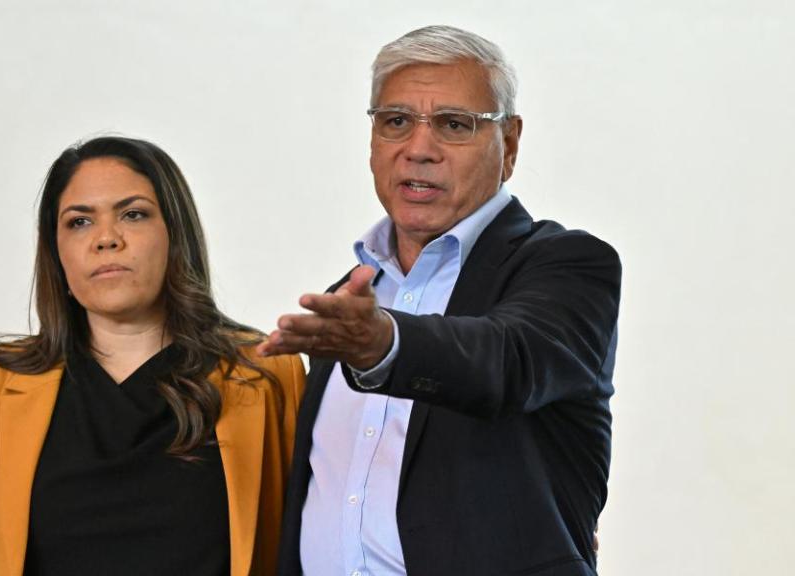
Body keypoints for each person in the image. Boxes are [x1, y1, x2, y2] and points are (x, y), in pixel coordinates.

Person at [259, 25, 620, 575]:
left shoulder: (566, 266)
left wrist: (388, 344)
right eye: (396, 121)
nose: (418, 150)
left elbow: (506, 360)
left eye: (455, 125)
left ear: (511, 144)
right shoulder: (349, 299)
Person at [0, 136, 304, 576]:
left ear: (174, 235)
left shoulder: (267, 374)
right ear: (56, 251)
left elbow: (305, 551)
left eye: (133, 214)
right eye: (79, 222)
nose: (106, 238)